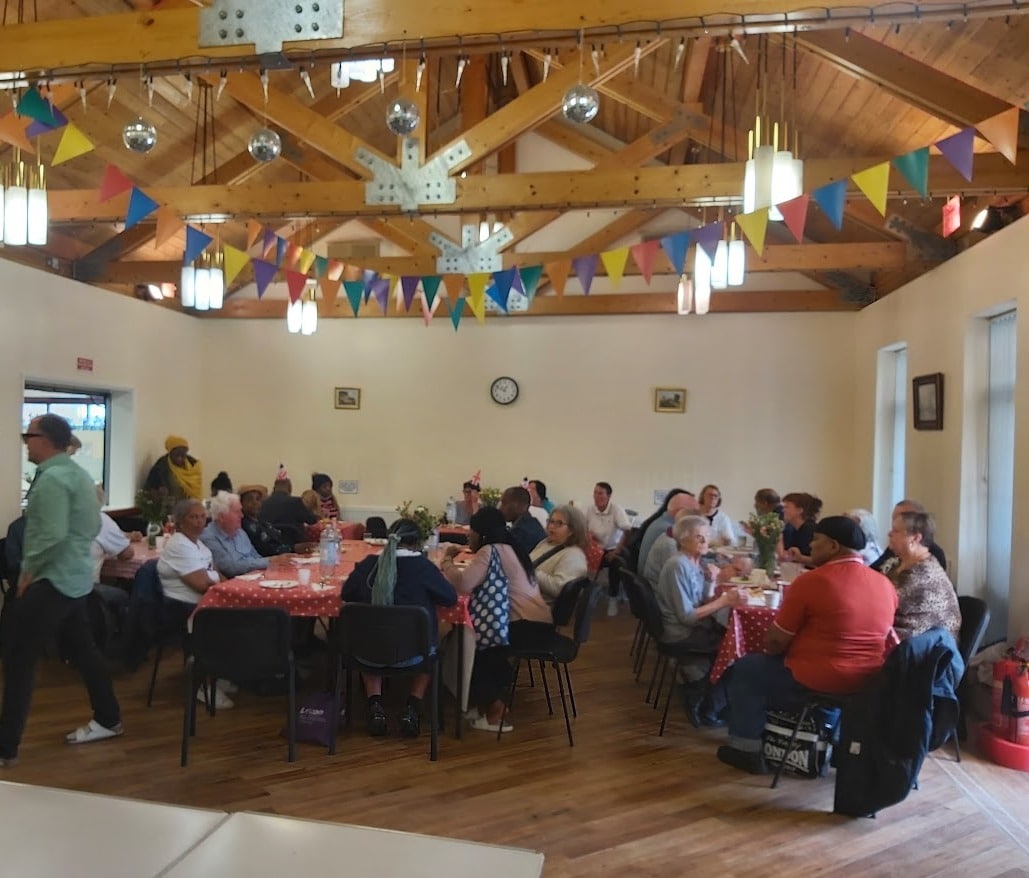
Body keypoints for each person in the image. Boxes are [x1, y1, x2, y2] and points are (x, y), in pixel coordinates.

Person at [717, 516, 898, 775]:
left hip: (818, 677)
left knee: (747, 668)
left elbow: (775, 641)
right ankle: (822, 734)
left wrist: (779, 648)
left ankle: (746, 748)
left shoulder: (812, 581)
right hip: (868, 679)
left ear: (834, 546)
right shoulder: (885, 584)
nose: (810, 546)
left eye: (816, 540)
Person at [0, 414, 123, 764]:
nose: (26, 440)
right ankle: (109, 717)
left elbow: (50, 535)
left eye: (30, 434)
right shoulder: (79, 475)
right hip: (75, 578)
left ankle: (6, 747)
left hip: (51, 581)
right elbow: (87, 525)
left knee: (18, 658)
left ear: (47, 439)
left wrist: (28, 573)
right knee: (83, 651)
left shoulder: (54, 479)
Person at [342, 518, 457, 737]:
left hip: (367, 654)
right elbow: (450, 598)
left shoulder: (368, 564)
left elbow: (346, 593)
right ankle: (412, 706)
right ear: (417, 544)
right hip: (414, 655)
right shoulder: (423, 567)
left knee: (371, 633)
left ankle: (375, 705)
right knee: (432, 641)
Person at [442, 507, 552, 732]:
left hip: (523, 626)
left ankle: (496, 712)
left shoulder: (490, 551)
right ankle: (481, 704)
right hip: (538, 622)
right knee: (475, 641)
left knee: (477, 649)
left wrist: (447, 562)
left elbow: (463, 584)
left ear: (482, 533)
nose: (468, 536)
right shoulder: (510, 548)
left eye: (471, 531)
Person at [156, 499, 232, 708]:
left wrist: (218, 581)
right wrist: (217, 581)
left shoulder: (199, 545)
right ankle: (202, 684)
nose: (200, 522)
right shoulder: (179, 544)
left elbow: (216, 574)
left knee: (239, 614)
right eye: (193, 517)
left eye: (202, 517)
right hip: (179, 609)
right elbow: (200, 584)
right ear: (180, 522)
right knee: (227, 619)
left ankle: (220, 673)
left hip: (201, 604)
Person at [885, 511, 961, 641]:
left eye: (896, 531)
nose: (889, 534)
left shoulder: (921, 574)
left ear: (915, 538)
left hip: (922, 649)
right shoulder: (902, 563)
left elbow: (879, 605)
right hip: (906, 638)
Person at [91, 484, 143, 608]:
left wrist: (126, 536)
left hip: (49, 587)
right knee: (123, 596)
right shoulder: (99, 519)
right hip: (84, 590)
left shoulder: (61, 518)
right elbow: (127, 554)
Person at [200, 491, 275, 578]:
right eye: (237, 512)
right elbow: (230, 567)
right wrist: (270, 561)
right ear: (221, 517)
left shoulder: (240, 532)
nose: (242, 515)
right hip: (232, 586)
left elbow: (256, 557)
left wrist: (275, 562)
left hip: (254, 579)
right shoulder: (208, 537)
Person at [530, 505, 589, 603]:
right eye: (551, 521)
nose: (551, 526)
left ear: (572, 530)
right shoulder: (546, 542)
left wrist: (530, 572)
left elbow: (558, 588)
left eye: (559, 523)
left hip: (540, 607)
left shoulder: (574, 555)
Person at [871, 499, 948, 574]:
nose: (895, 521)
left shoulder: (934, 554)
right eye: (894, 518)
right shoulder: (896, 548)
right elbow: (873, 570)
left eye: (902, 517)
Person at [144, 434, 203, 500]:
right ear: (170, 453)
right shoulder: (161, 467)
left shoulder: (194, 466)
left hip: (192, 505)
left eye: (183, 455)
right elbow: (149, 488)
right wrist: (160, 494)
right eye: (176, 454)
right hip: (171, 507)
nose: (180, 458)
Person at [239, 484, 292, 558]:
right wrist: (293, 549)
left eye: (258, 499)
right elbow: (265, 550)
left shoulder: (263, 523)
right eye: (250, 499)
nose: (255, 503)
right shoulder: (245, 525)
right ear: (241, 504)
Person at [586, 481, 633, 554]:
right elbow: (581, 528)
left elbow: (628, 530)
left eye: (600, 493)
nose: (596, 496)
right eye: (595, 493)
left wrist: (616, 551)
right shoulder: (589, 509)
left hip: (610, 550)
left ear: (609, 496)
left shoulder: (616, 509)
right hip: (593, 550)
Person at [499, 486, 546, 556]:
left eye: (505, 503)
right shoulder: (533, 523)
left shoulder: (520, 532)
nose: (500, 508)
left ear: (521, 506)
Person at [779, 492, 822, 565]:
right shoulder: (795, 530)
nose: (783, 510)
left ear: (799, 510)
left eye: (787, 507)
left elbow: (816, 561)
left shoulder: (810, 531)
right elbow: (786, 555)